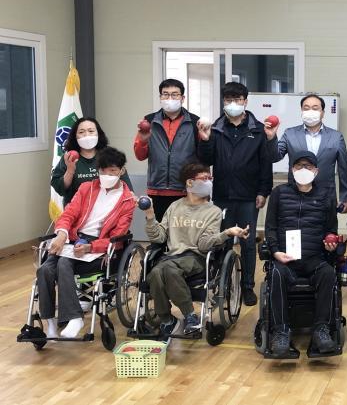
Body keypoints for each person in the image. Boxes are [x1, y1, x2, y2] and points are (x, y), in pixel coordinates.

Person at [37, 147, 135, 338]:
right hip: (74, 240)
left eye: (113, 171)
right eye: (103, 171)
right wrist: (62, 234)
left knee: (64, 263)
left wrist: (92, 247)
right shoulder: (86, 188)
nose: (107, 175)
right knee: (44, 270)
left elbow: (118, 236)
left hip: (100, 248)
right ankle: (51, 322)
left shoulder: (127, 200)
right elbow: (68, 214)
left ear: (121, 171)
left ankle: (75, 318)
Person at [144, 163, 249, 336]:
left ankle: (189, 315)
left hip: (196, 257)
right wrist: (150, 215)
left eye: (210, 178)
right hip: (171, 257)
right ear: (190, 183)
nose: (209, 182)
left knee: (167, 269)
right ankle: (167, 319)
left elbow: (204, 245)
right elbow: (159, 237)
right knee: (155, 273)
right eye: (204, 178)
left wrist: (226, 233)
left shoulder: (213, 211)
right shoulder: (174, 206)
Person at [196, 81, 276, 306]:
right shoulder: (215, 128)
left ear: (245, 101)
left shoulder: (257, 129)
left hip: (249, 196)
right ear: (223, 102)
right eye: (228, 100)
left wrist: (263, 191)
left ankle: (247, 286)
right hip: (222, 195)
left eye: (237, 99)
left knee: (248, 243)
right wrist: (205, 140)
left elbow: (265, 163)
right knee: (223, 242)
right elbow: (206, 160)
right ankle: (224, 285)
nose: (233, 103)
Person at [264, 151, 340, 355]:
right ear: (292, 170)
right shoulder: (279, 193)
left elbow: (331, 229)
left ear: (316, 171)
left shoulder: (326, 195)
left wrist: (331, 244)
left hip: (314, 258)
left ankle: (321, 329)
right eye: (299, 166)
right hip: (285, 259)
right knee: (275, 273)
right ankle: (281, 331)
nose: (303, 170)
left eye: (308, 166)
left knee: (328, 273)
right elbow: (270, 228)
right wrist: (275, 252)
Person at [269, 93, 347, 213]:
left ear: (322, 113)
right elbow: (274, 157)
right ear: (301, 111)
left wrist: (346, 197)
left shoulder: (336, 137)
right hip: (295, 195)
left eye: (315, 108)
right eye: (306, 108)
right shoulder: (290, 133)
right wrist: (271, 138)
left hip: (326, 195)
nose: (310, 111)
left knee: (327, 225)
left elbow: (344, 168)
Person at [133, 78, 200, 222]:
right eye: (166, 94)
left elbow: (203, 157)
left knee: (183, 233)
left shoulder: (194, 122)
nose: (170, 98)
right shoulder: (149, 121)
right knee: (157, 232)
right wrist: (143, 140)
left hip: (185, 190)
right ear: (160, 97)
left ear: (182, 98)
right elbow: (140, 155)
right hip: (157, 189)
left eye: (175, 94)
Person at [51, 117, 133, 206]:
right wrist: (70, 170)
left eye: (91, 131)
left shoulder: (110, 155)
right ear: (75, 136)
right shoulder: (69, 157)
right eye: (81, 132)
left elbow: (127, 188)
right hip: (76, 210)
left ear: (98, 134)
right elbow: (59, 189)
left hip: (106, 209)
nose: (87, 135)